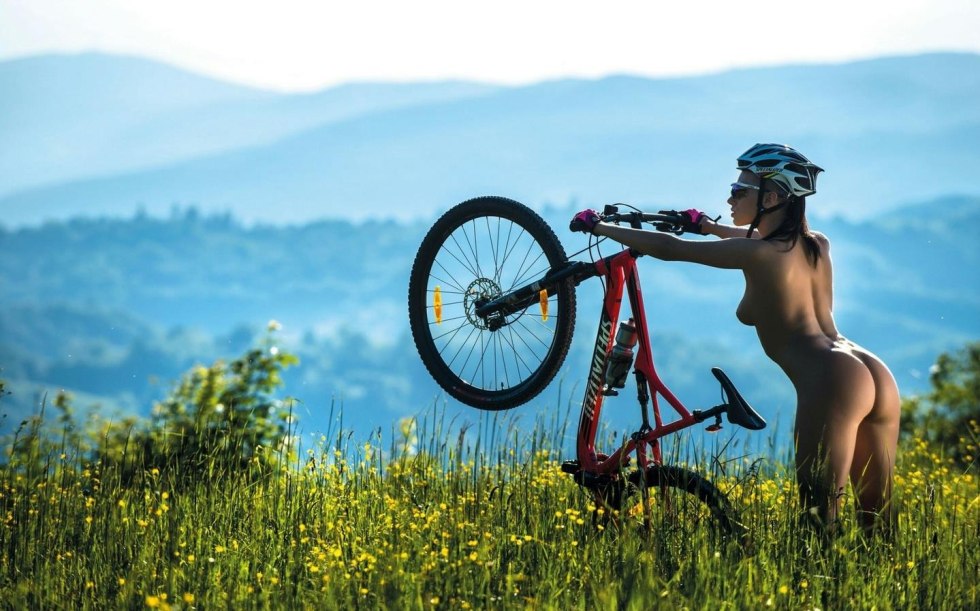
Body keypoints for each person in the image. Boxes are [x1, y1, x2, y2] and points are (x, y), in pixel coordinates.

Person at [570, 144, 900, 536]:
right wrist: (709, 227)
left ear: (772, 199)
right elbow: (755, 238)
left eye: (739, 190)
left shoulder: (756, 254)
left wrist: (600, 227)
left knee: (818, 518)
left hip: (832, 380)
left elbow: (673, 249)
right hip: (872, 371)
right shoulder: (816, 245)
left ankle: (819, 577)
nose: (730, 197)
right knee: (878, 521)